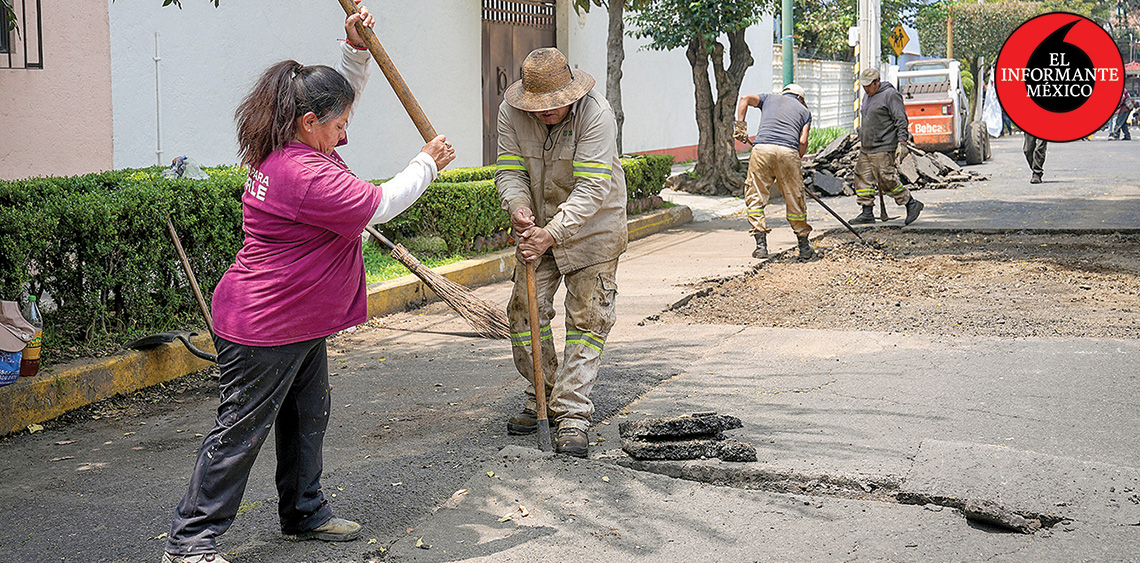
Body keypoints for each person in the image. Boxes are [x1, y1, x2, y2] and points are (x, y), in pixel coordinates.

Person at [162, 6, 456, 563]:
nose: (346, 135)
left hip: (294, 317)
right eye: (339, 125)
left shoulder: (288, 144)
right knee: (240, 431)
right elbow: (380, 203)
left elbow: (337, 103)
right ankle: (190, 542)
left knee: (306, 416)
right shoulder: (302, 173)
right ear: (309, 122)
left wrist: (356, 53)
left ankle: (304, 512)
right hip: (265, 322)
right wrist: (427, 162)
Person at [495, 48, 626, 458]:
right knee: (523, 311)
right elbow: (509, 170)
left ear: (571, 92)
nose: (545, 111)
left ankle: (572, 412)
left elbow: (592, 188)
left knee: (589, 319)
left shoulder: (596, 114)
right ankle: (544, 395)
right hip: (537, 228)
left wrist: (551, 233)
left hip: (594, 229)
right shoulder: (510, 112)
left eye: (554, 104)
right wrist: (518, 206)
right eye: (538, 106)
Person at [733, 83, 815, 260]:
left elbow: (744, 99)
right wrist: (794, 164)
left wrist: (740, 128)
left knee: (756, 195)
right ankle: (804, 247)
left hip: (762, 149)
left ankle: (760, 246)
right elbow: (803, 142)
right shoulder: (805, 111)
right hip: (788, 151)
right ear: (800, 98)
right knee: (795, 197)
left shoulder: (768, 98)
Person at [849, 68, 923, 226]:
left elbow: (901, 119)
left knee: (886, 179)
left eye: (868, 85)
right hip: (867, 147)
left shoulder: (890, 95)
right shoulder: (867, 96)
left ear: (877, 82)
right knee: (862, 178)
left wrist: (902, 142)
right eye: (863, 86)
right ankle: (867, 211)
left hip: (883, 146)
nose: (866, 89)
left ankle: (911, 203)